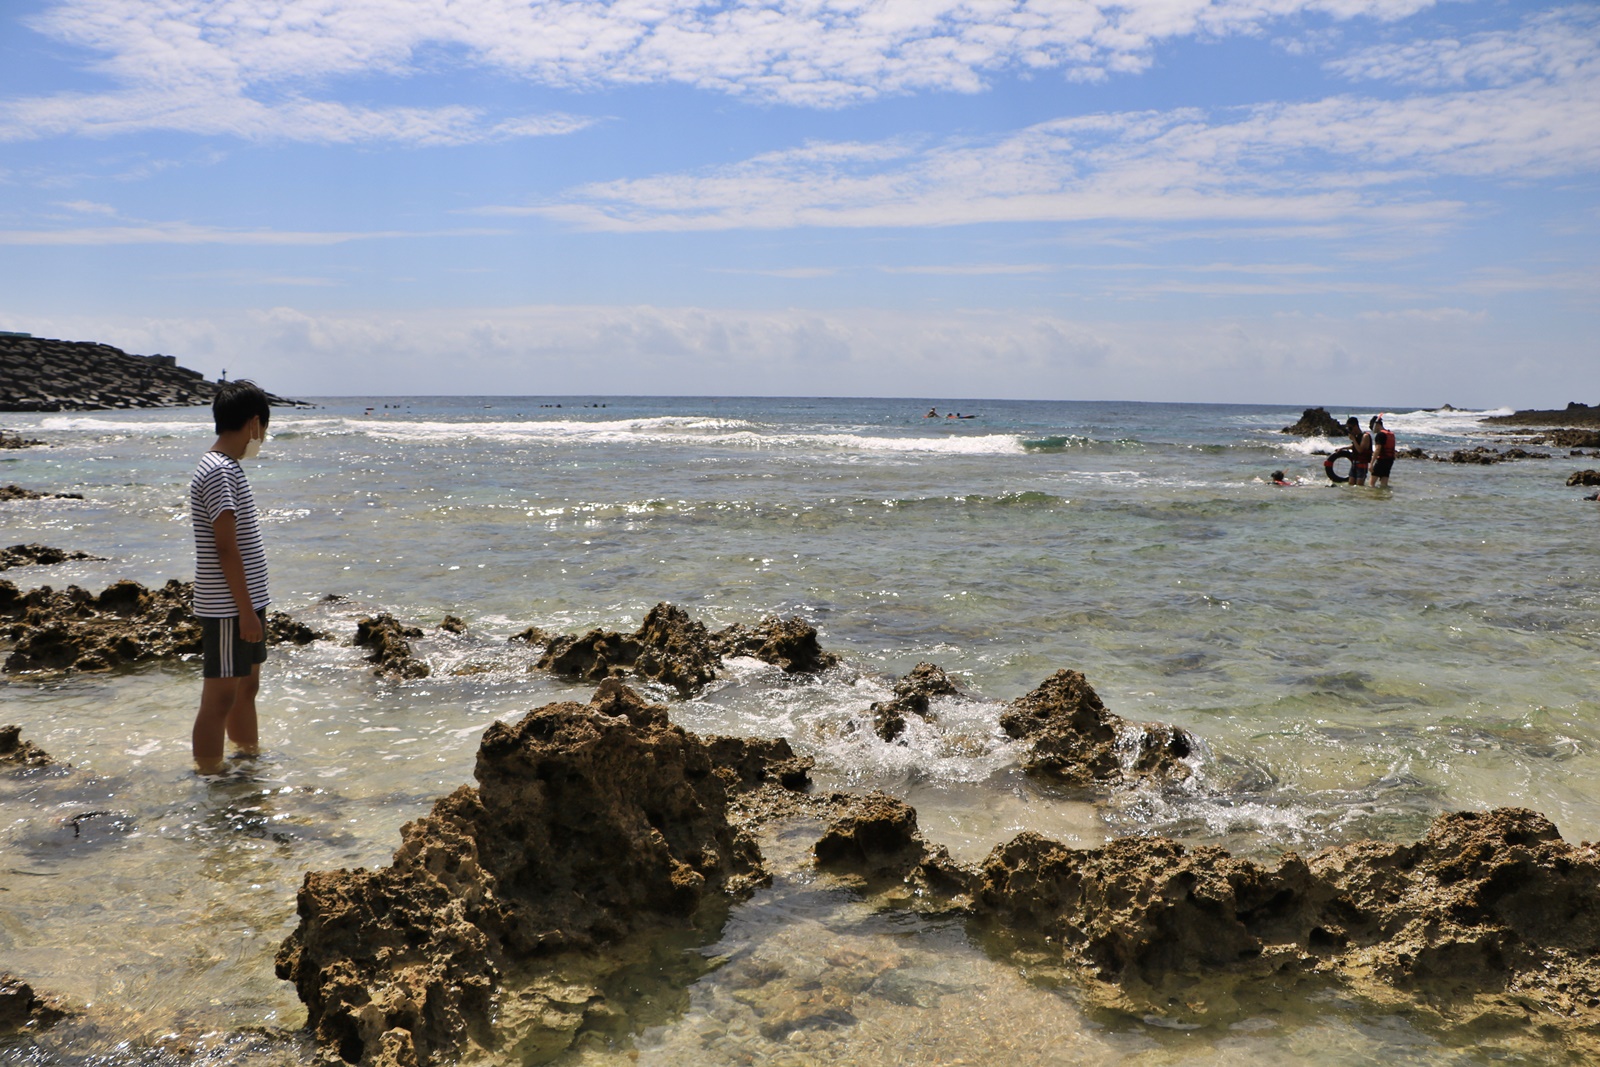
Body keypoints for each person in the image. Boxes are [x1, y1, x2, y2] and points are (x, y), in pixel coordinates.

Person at [189, 381, 272, 776]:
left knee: (246, 689)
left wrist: (253, 606)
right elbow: (225, 548)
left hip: (245, 604)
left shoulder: (229, 469)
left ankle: (248, 761)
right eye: (265, 429)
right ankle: (208, 774)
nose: (264, 438)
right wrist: (246, 613)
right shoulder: (219, 471)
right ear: (254, 423)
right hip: (228, 608)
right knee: (220, 697)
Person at [1370, 414, 1396, 488]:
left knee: (1371, 484)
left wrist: (1371, 464)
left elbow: (1377, 449)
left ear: (1376, 425)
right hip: (1389, 461)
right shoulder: (1390, 434)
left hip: (1381, 461)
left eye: (1372, 426)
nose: (1372, 428)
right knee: (1384, 484)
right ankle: (1384, 497)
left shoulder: (1380, 435)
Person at [1349, 417, 1372, 486]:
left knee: (1359, 486)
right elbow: (1354, 447)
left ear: (1355, 426)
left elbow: (1360, 450)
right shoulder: (1357, 436)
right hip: (1354, 463)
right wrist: (1342, 448)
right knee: (1351, 484)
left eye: (1350, 428)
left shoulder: (1365, 436)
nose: (1350, 430)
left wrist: (1353, 439)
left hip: (1362, 464)